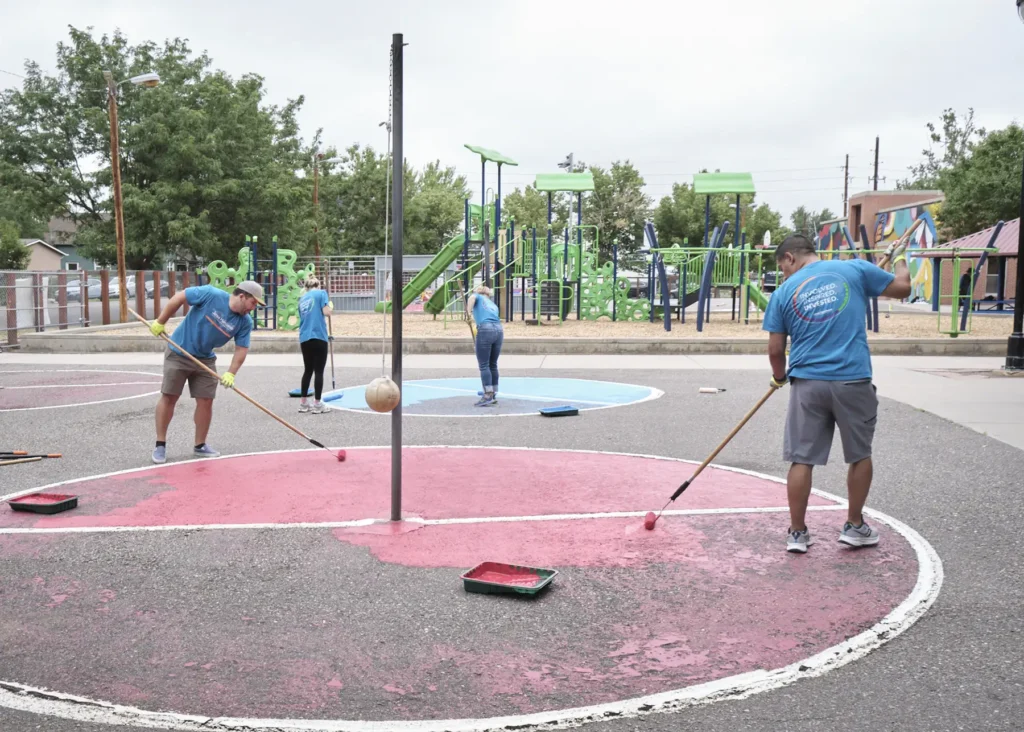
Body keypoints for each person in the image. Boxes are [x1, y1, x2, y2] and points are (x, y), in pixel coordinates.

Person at [762, 234, 911, 554]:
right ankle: (855, 526)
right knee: (860, 454)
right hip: (852, 380)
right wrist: (899, 257)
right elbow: (902, 288)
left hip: (807, 384)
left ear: (789, 258)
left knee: (801, 459)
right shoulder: (855, 270)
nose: (784, 274)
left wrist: (779, 378)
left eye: (782, 267)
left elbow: (775, 349)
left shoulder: (784, 292)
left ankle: (798, 533)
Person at [148, 281, 263, 464]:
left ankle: (200, 445)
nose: (254, 308)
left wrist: (231, 373)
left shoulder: (244, 322)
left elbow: (241, 349)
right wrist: (160, 321)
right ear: (242, 296)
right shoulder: (210, 294)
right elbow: (179, 297)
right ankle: (160, 445)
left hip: (205, 359)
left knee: (206, 400)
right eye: (254, 303)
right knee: (169, 397)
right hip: (179, 351)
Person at [297, 275, 333, 414]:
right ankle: (317, 404)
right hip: (318, 336)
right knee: (319, 371)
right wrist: (330, 307)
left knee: (308, 370)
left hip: (305, 337)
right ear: (317, 285)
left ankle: (303, 403)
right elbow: (326, 312)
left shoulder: (302, 299)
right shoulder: (322, 293)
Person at [467, 284, 503, 407]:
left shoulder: (477, 296)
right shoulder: (493, 305)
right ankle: (493, 391)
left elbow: (472, 298)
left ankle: (488, 394)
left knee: (484, 365)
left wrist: (468, 313)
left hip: (485, 329)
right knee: (493, 364)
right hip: (498, 330)